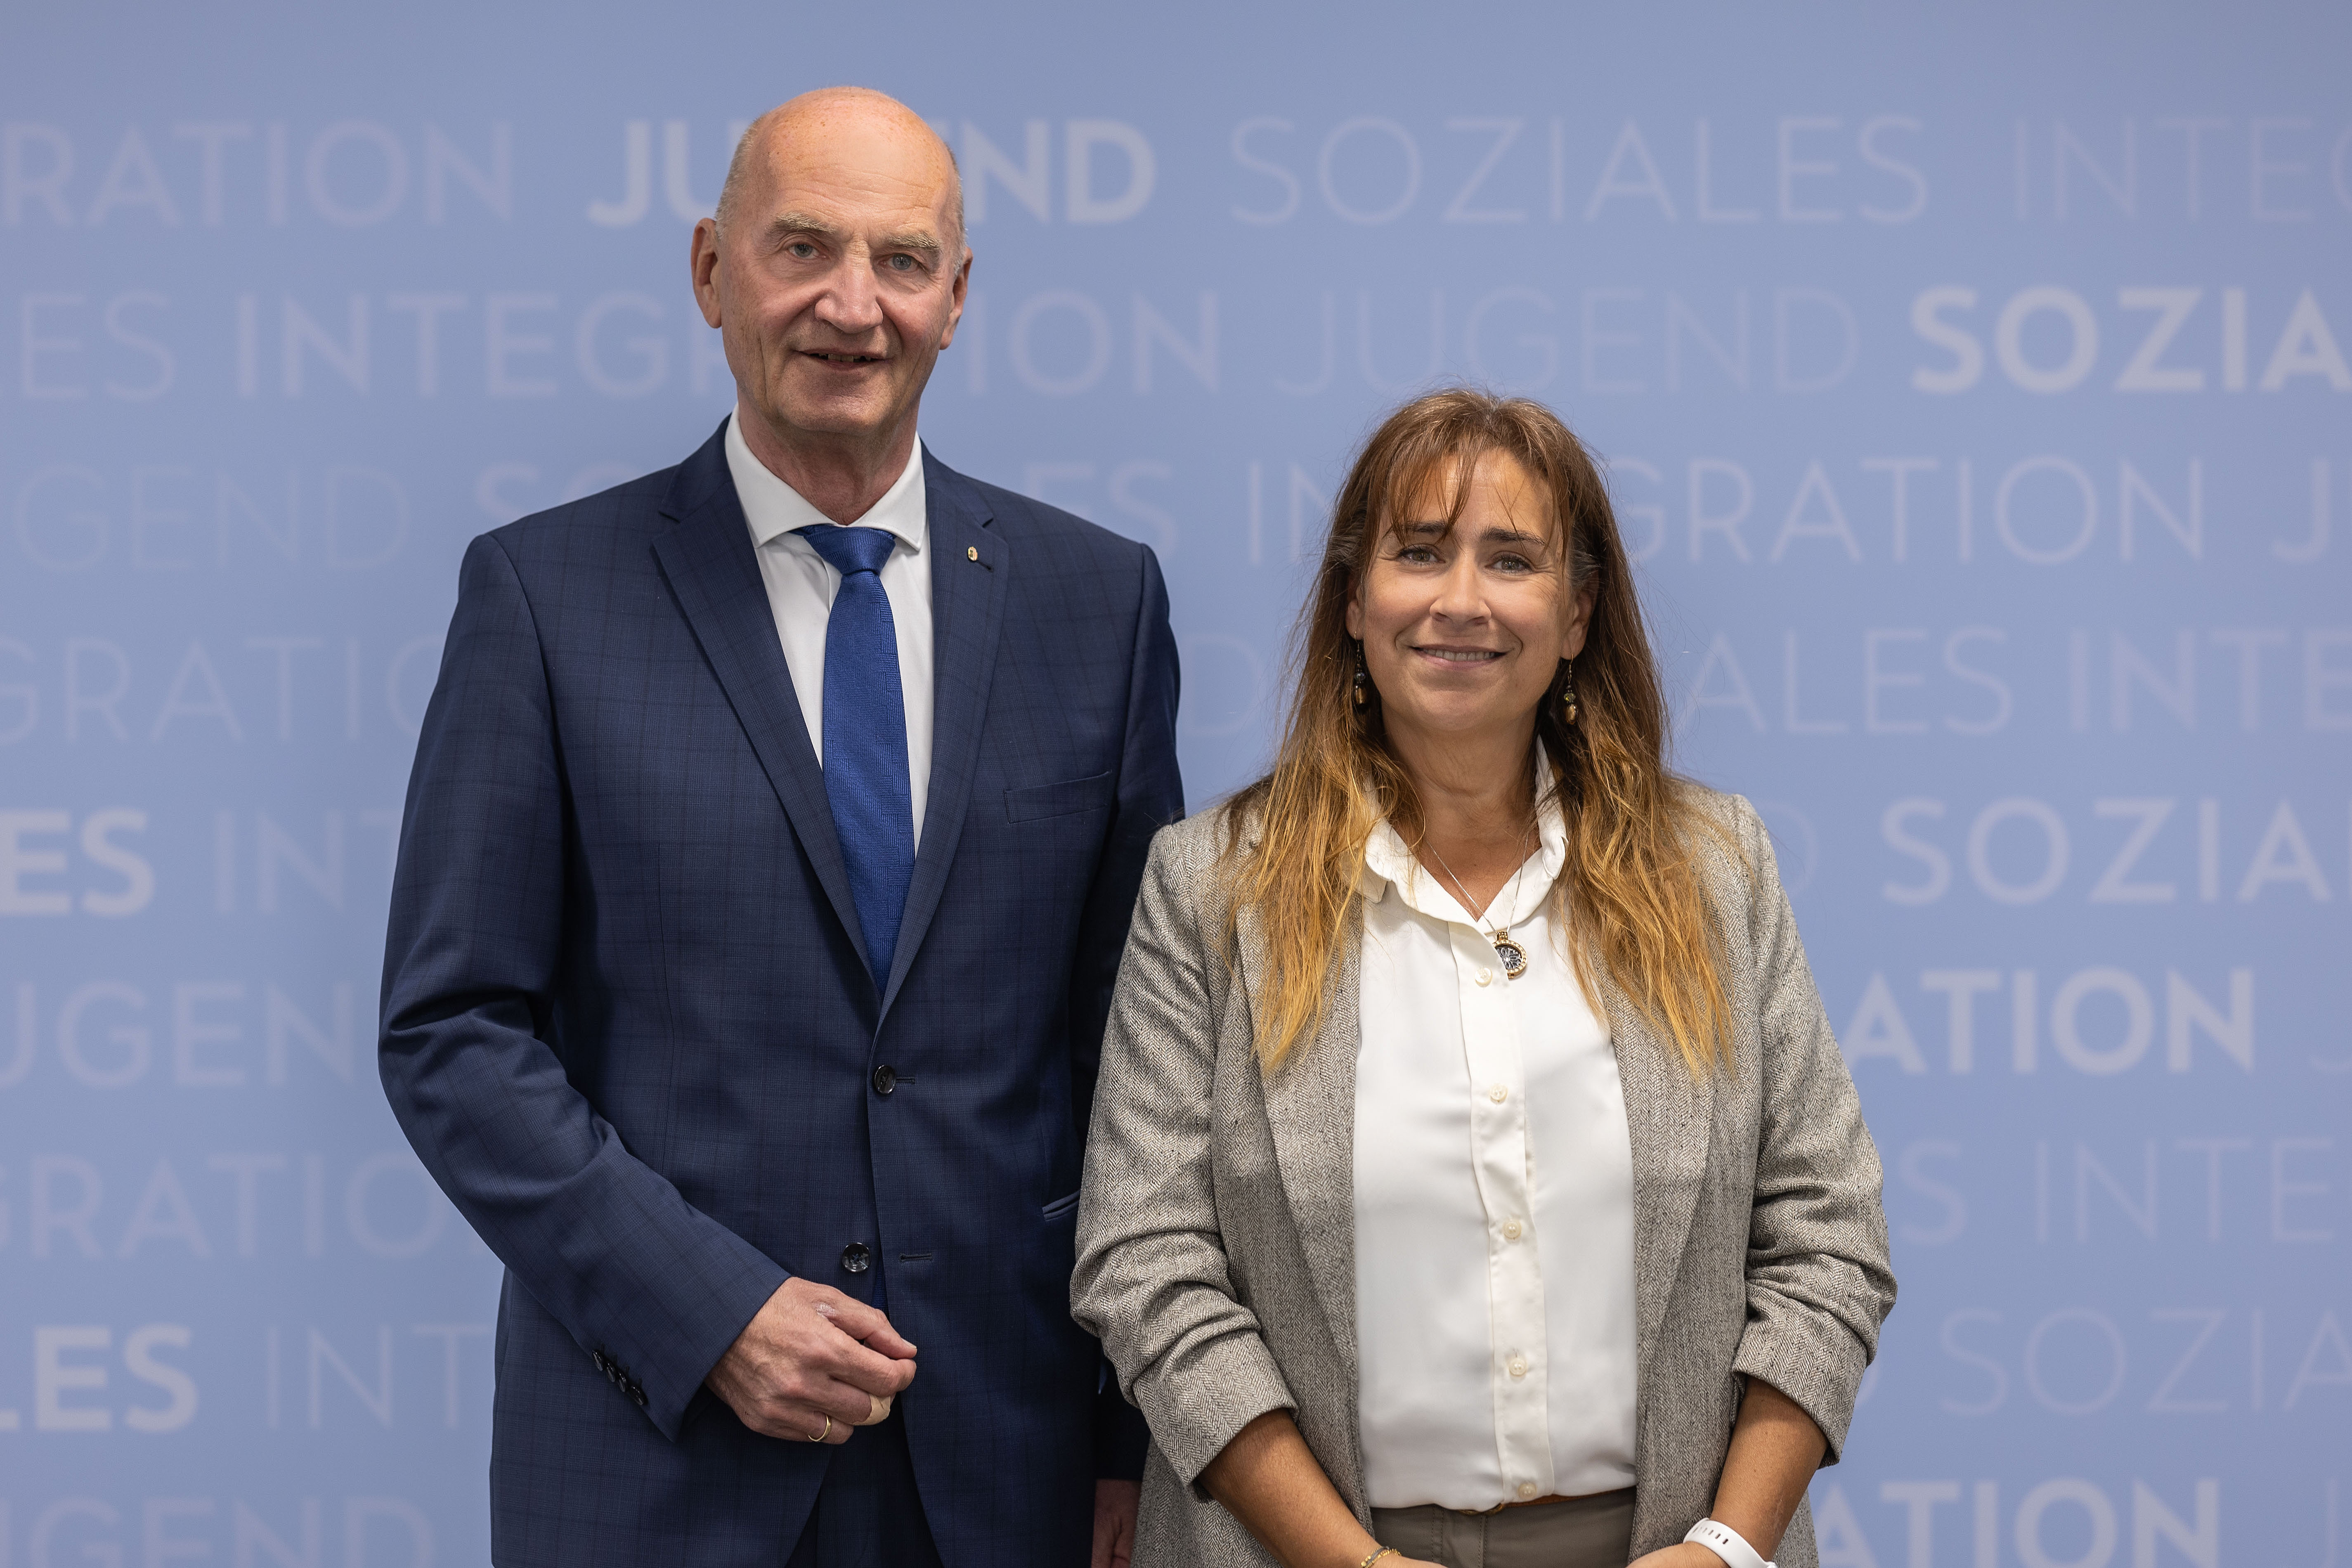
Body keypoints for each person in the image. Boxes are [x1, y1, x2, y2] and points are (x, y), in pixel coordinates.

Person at [379, 88, 1178, 1568]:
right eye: (801, 247)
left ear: (956, 298)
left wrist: (1128, 1437)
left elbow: (1139, 1059)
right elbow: (454, 1032)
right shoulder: (544, 597)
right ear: (710, 271)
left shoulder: (1098, 604)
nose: (851, 305)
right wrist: (711, 1313)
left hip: (1007, 1469)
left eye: (901, 261)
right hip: (658, 1459)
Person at [1071, 388, 1894, 1568]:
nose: (1460, 600)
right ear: (1352, 601)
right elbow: (1144, 1263)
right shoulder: (1212, 889)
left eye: (1511, 560)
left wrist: (1727, 1546)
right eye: (1418, 552)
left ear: (1577, 614)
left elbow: (1828, 1235)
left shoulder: (1718, 870)